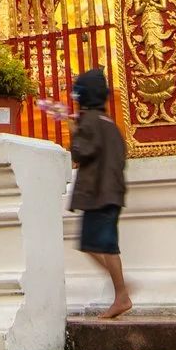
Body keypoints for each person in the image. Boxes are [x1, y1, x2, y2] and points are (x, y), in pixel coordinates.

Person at [69, 67, 131, 319]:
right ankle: (121, 287)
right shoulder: (111, 125)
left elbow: (82, 152)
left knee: (104, 246)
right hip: (110, 193)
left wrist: (75, 135)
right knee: (91, 244)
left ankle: (122, 294)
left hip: (100, 195)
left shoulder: (91, 122)